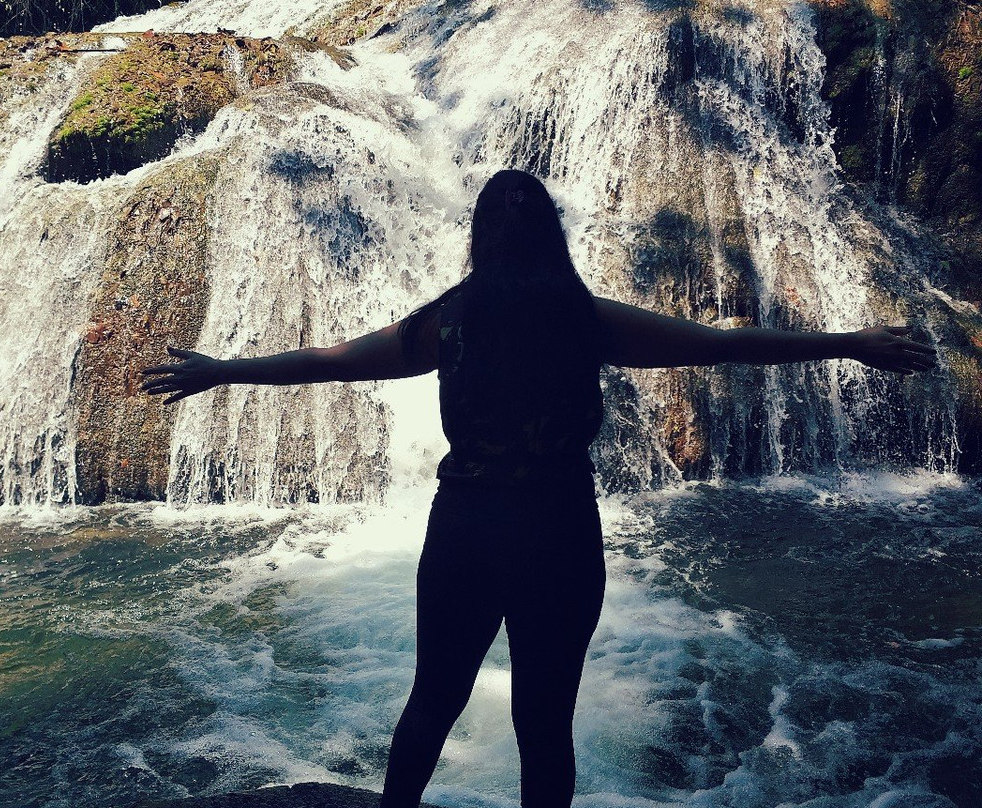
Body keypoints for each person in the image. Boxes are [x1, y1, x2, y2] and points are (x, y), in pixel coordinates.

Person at [141, 169, 938, 807]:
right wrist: (849, 344)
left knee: (433, 700)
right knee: (545, 723)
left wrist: (224, 370)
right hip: (558, 530)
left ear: (480, 239)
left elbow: (335, 359)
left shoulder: (450, 320)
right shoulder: (584, 318)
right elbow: (724, 346)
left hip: (467, 529)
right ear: (551, 236)